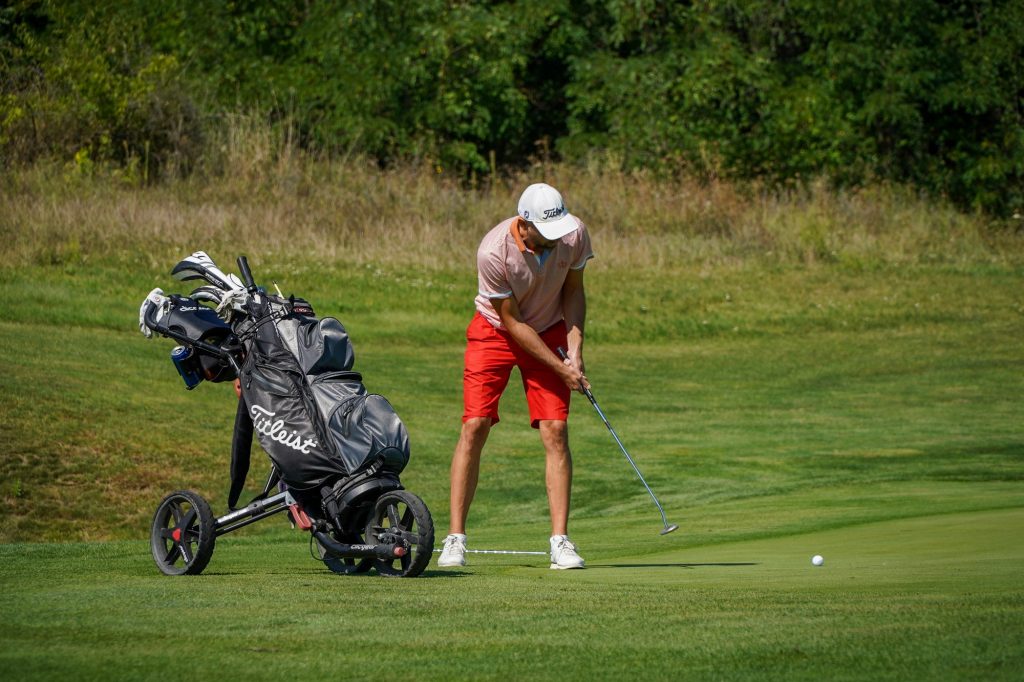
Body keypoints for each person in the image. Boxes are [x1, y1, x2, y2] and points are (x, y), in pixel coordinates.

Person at [438, 182, 594, 570]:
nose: (556, 238)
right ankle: (455, 538)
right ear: (524, 224)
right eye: (546, 232)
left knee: (556, 429)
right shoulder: (493, 251)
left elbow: (574, 292)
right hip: (496, 331)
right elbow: (513, 322)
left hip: (551, 328)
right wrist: (560, 368)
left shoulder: (573, 233)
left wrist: (575, 350)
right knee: (475, 424)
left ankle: (560, 542)